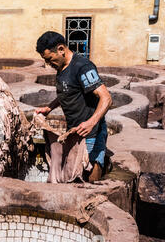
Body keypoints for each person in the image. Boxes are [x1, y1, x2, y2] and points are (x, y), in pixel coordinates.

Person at [35, 31, 112, 182]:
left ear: (61, 49)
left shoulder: (83, 67)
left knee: (89, 168)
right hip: (74, 130)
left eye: (50, 59)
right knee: (75, 172)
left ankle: (93, 195)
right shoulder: (61, 67)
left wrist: (91, 122)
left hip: (90, 132)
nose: (49, 64)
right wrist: (49, 108)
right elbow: (68, 91)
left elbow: (106, 98)